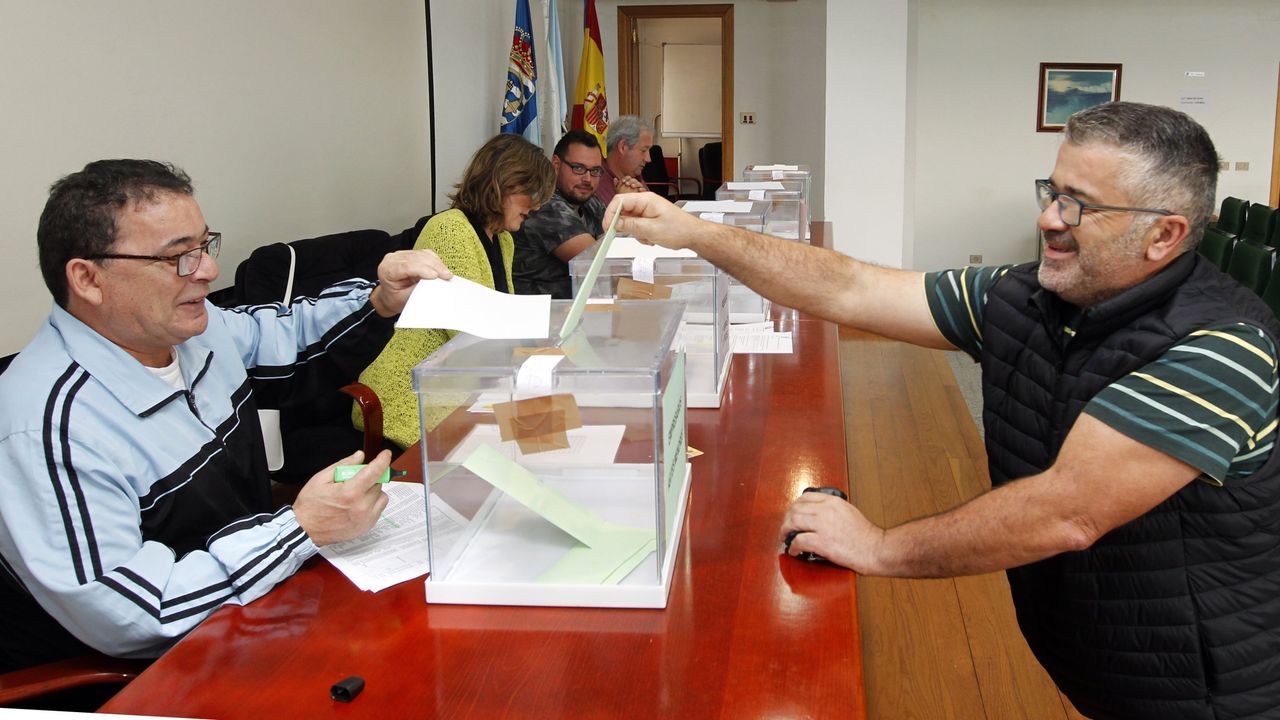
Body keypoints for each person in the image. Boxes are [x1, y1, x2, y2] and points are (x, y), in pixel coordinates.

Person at [606, 102, 1280, 720]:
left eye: (1080, 205)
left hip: (1209, 688)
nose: (1049, 218)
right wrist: (696, 234)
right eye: (1051, 192)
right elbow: (852, 289)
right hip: (1107, 656)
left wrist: (878, 546)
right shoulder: (1026, 297)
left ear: (1163, 235)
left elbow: (1066, 511)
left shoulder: (1219, 349)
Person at [0, 159, 452, 672]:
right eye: (178, 258)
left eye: (203, 246)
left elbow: (284, 339)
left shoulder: (191, 328)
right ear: (87, 278)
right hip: (157, 671)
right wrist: (300, 528)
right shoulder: (48, 426)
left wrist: (380, 301)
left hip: (253, 604)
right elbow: (135, 613)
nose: (209, 271)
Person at [356, 134, 554, 447]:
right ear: (502, 183)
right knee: (535, 441)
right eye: (530, 193)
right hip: (410, 399)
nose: (538, 204)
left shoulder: (503, 240)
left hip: (461, 390)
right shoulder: (450, 229)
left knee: (548, 434)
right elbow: (473, 336)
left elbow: (502, 319)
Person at [513, 130, 606, 298]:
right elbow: (597, 264)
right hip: (540, 317)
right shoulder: (546, 204)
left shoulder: (588, 200)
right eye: (578, 168)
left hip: (574, 312)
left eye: (595, 171)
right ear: (556, 164)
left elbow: (616, 244)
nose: (588, 179)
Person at [594, 115, 652, 206]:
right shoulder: (594, 182)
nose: (648, 159)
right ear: (623, 147)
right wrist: (623, 203)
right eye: (643, 150)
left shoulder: (635, 176)